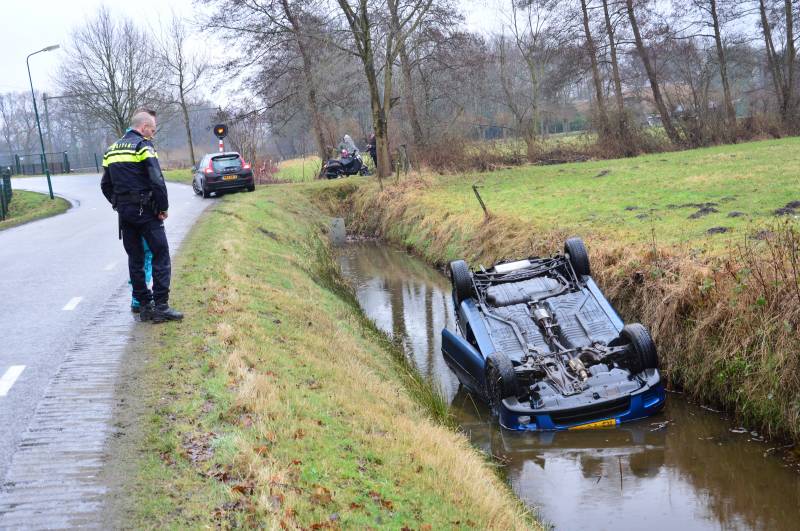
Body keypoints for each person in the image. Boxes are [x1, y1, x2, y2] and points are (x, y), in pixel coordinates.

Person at [101, 110, 183, 323]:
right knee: (161, 254)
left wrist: (118, 203)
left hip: (125, 214)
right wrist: (162, 207)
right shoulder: (143, 146)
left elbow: (105, 185)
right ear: (144, 127)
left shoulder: (111, 150)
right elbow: (156, 179)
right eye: (152, 130)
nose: (153, 135)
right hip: (146, 211)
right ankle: (161, 307)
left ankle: (145, 306)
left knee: (135, 259)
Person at [129, 237, 152, 313]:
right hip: (145, 229)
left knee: (135, 261)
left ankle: (136, 300)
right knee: (147, 258)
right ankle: (142, 300)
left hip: (129, 229)